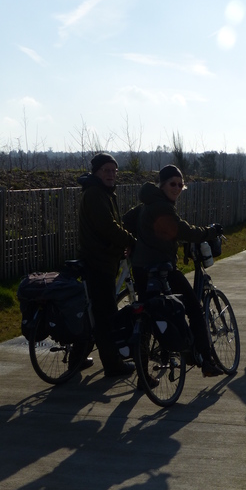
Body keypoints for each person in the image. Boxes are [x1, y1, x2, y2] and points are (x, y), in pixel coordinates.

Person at [123, 165, 223, 377]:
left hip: (141, 268)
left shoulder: (146, 204)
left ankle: (144, 375)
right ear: (162, 184)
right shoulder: (162, 206)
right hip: (161, 269)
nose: (177, 188)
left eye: (180, 184)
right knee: (194, 308)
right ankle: (206, 359)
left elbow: (126, 221)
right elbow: (182, 230)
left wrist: (134, 244)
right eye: (172, 183)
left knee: (147, 316)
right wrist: (210, 232)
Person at [77, 152, 136, 376]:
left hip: (103, 260)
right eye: (106, 170)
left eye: (114, 171)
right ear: (96, 172)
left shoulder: (103, 192)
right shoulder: (95, 194)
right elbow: (107, 227)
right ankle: (113, 364)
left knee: (96, 312)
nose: (111, 175)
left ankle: (77, 358)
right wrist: (131, 240)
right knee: (106, 315)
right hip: (97, 262)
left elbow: (112, 226)